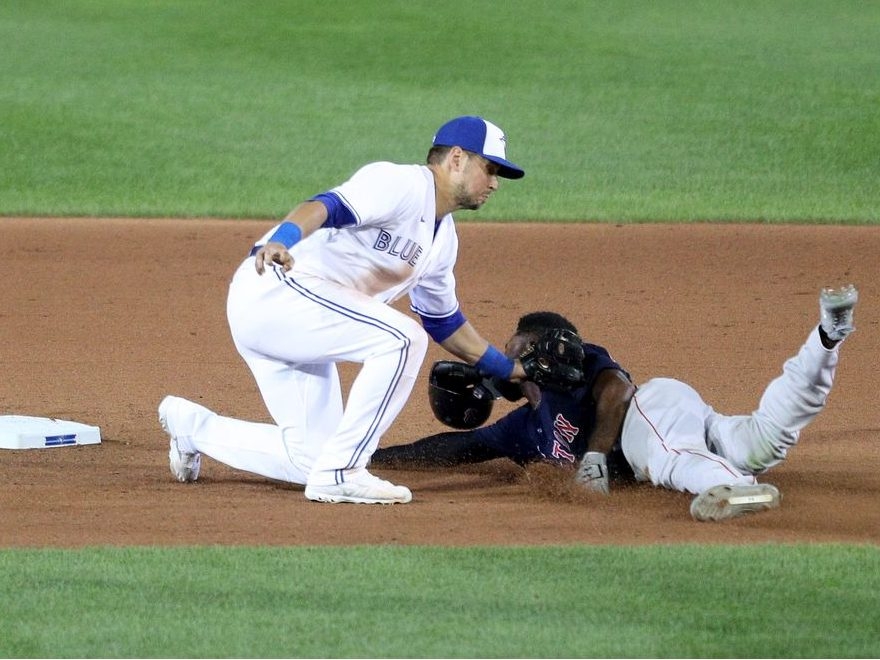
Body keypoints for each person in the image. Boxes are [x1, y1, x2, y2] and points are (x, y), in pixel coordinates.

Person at [158, 115, 529, 504]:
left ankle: (192, 428)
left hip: (302, 323)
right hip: (277, 289)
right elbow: (326, 206)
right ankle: (343, 472)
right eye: (490, 169)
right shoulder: (401, 184)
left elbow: (445, 322)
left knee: (311, 459)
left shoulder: (443, 239)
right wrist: (282, 239)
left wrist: (510, 370)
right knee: (402, 340)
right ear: (456, 159)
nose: (494, 183)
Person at [370, 284, 859, 521]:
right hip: (681, 426)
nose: (504, 356)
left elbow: (617, 390)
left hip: (649, 411)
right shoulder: (520, 429)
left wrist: (597, 454)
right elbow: (457, 449)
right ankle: (827, 337)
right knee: (761, 442)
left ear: (538, 344)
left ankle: (736, 489)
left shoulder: (575, 366)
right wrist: (366, 459)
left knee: (668, 458)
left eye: (514, 346)